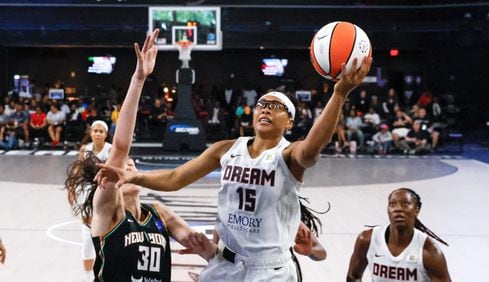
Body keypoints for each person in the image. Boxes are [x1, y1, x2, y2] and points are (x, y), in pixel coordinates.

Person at [97, 56, 372, 281]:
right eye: (262, 105)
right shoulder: (226, 148)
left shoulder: (288, 154)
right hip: (224, 263)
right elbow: (175, 178)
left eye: (276, 107)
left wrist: (339, 93)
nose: (266, 109)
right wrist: (135, 176)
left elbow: (311, 148)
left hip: (269, 270)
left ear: (289, 122)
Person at [65, 29, 215, 281]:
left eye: (132, 166)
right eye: (124, 167)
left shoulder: (159, 213)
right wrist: (139, 79)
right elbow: (121, 147)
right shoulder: (109, 210)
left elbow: (204, 248)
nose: (129, 168)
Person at [346, 188, 451, 282]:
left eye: (405, 204)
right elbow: (353, 276)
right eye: (392, 204)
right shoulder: (367, 240)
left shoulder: (429, 251)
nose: (397, 209)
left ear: (417, 209)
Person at [67, 119, 112, 282]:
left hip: (105, 192)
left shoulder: (111, 149)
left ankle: (105, 274)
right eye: (95, 130)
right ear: (91, 133)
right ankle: (88, 278)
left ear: (106, 134)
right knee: (87, 237)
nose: (98, 133)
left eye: (101, 131)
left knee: (105, 236)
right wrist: (71, 188)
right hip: (87, 193)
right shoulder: (85, 150)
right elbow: (78, 171)